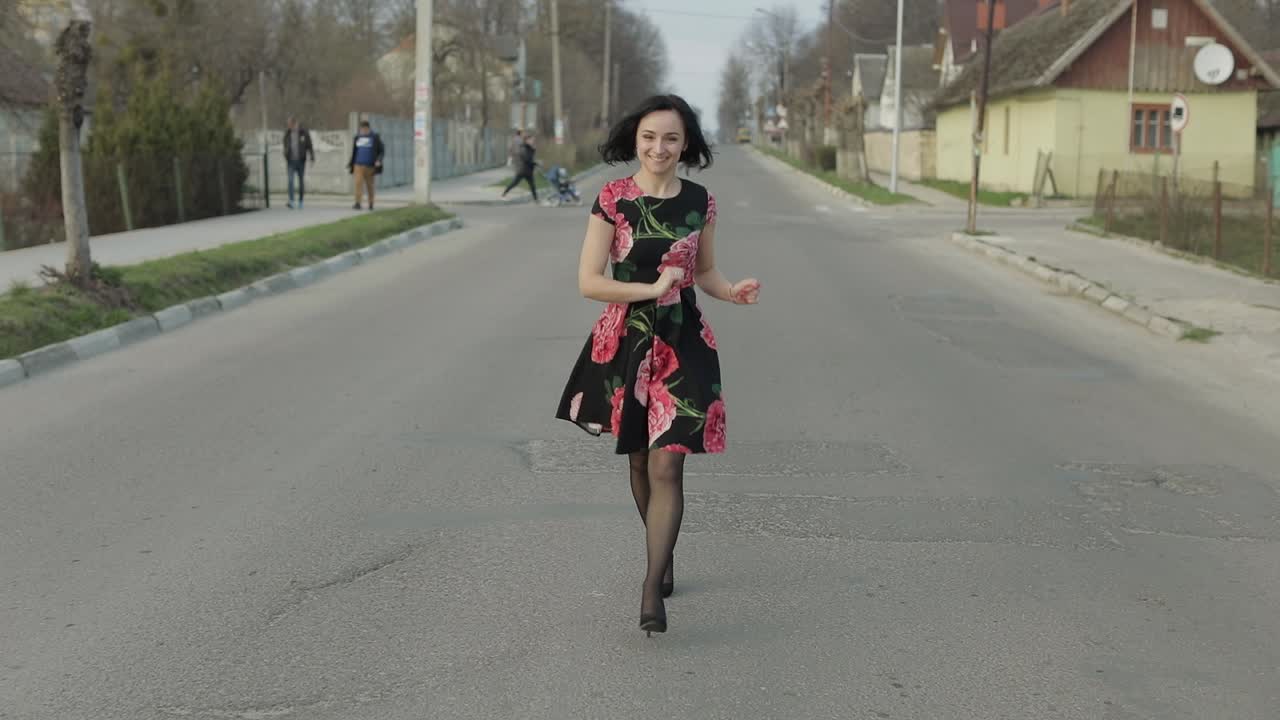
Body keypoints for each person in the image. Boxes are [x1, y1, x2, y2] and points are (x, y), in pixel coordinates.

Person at [553, 94, 761, 637]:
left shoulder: (700, 201)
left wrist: (731, 290)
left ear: (685, 142)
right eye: (649, 137)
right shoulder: (614, 199)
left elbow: (706, 272)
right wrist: (648, 288)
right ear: (636, 139)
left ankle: (651, 584)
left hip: (682, 340)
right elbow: (589, 281)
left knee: (669, 463)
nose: (658, 148)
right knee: (640, 463)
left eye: (670, 138)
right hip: (627, 339)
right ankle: (661, 552)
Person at [347, 120, 384, 210]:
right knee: (358, 184)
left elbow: (381, 151)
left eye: (364, 129)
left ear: (368, 128)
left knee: (369, 186)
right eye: (361, 129)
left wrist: (378, 160)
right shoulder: (357, 137)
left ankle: (371, 203)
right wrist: (351, 163)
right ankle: (357, 203)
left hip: (370, 166)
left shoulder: (375, 137)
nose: (362, 131)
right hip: (358, 165)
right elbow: (354, 151)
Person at [283, 117, 315, 210]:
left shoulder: (303, 132)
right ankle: (291, 201)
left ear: (294, 124)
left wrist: (312, 157)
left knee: (301, 181)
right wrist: (285, 153)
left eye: (289, 125)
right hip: (290, 161)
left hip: (301, 161)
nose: (288, 127)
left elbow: (310, 146)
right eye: (288, 125)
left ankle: (301, 201)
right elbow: (285, 144)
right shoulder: (287, 133)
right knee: (290, 180)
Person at [501, 133, 538, 202]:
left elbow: (531, 157)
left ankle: (536, 200)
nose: (533, 141)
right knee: (514, 183)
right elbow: (526, 158)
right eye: (531, 140)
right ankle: (503, 194)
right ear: (527, 140)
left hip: (528, 171)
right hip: (522, 170)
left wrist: (533, 150)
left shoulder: (529, 148)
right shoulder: (523, 148)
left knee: (532, 186)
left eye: (533, 140)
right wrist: (534, 163)